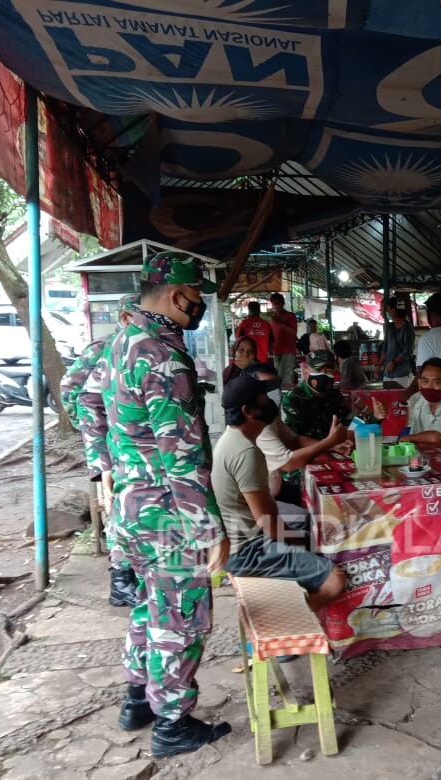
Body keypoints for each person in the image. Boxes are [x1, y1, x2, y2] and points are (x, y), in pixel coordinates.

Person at [88, 251, 231, 757]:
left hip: (129, 506)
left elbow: (80, 395)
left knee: (149, 605)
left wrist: (105, 462)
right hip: (169, 514)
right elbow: (183, 456)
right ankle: (172, 723)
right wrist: (211, 530)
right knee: (181, 616)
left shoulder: (117, 343)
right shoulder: (164, 358)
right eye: (196, 302)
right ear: (176, 297)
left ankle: (138, 699)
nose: (199, 312)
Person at [212, 374, 347, 611]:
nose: (271, 401)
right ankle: (288, 624)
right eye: (264, 398)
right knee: (334, 579)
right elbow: (269, 525)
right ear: (248, 410)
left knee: (313, 531)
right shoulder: (245, 451)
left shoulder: (234, 438)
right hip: (246, 551)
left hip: (245, 538)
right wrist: (307, 542)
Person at [64, 293, 140, 607]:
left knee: (131, 513)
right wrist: (99, 452)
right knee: (117, 513)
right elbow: (75, 396)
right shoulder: (103, 351)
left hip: (129, 448)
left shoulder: (139, 351)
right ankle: (121, 582)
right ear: (125, 318)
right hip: (110, 451)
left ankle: (130, 576)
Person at [243, 362, 350, 504]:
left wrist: (332, 445)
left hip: (274, 487)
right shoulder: (254, 422)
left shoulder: (267, 414)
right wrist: (328, 442)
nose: (268, 395)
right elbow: (288, 463)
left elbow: (295, 440)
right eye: (263, 389)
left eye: (270, 388)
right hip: (261, 499)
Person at [282, 349, 351, 440]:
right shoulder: (293, 399)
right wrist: (328, 445)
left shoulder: (334, 396)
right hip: (308, 451)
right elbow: (293, 439)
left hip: (336, 448)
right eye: (319, 371)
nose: (324, 376)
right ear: (306, 373)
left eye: (328, 371)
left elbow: (347, 423)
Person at [381, 296, 415, 387]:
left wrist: (394, 362)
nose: (386, 311)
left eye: (388, 309)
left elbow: (407, 352)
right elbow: (385, 348)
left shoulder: (407, 328)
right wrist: (378, 365)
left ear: (393, 310)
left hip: (401, 373)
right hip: (388, 372)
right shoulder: (390, 327)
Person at [268, 292, 298, 386]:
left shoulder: (290, 316)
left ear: (282, 303)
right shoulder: (271, 318)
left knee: (288, 377)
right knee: (277, 377)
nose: (275, 306)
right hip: (276, 350)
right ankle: (278, 398)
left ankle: (287, 398)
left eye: (277, 303)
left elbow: (293, 332)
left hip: (288, 350)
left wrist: (280, 323)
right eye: (274, 304)